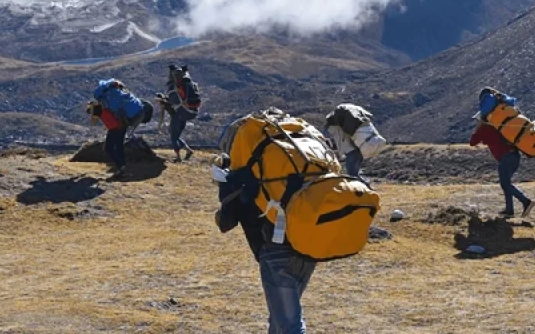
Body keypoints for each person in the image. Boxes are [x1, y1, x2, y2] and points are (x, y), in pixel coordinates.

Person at [213, 154, 316, 334]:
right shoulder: (279, 171)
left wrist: (226, 191)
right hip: (307, 249)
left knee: (290, 324)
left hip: (275, 254)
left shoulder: (238, 179)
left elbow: (225, 223)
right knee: (279, 317)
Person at [471, 87, 535, 218]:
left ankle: (526, 201)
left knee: (505, 183)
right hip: (514, 156)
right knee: (506, 183)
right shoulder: (499, 124)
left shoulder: (485, 128)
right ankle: (509, 210)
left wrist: (478, 127)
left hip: (506, 158)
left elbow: (473, 142)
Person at [93, 79, 150, 180]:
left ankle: (121, 168)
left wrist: (120, 122)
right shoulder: (120, 93)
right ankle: (122, 168)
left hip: (119, 125)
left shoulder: (110, 98)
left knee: (109, 148)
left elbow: (117, 112)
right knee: (119, 146)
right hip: (126, 122)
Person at [157, 64, 201, 162]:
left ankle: (178, 157)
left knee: (173, 137)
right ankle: (188, 150)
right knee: (176, 135)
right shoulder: (189, 85)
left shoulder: (173, 88)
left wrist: (164, 101)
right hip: (186, 112)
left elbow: (172, 102)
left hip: (178, 115)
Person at [324, 103, 382, 178]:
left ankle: (359, 183)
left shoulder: (334, 127)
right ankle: (362, 182)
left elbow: (338, 145)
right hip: (357, 149)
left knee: (352, 170)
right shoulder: (349, 124)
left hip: (350, 149)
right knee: (355, 166)